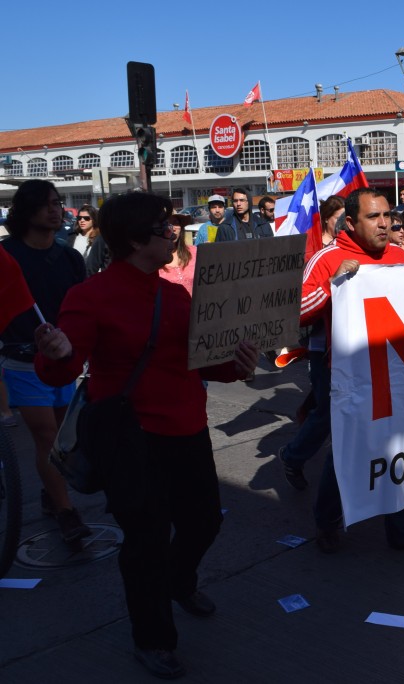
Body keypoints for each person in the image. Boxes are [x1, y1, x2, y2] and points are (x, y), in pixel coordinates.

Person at [34, 191, 258, 679]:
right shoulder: (89, 296)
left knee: (204, 522)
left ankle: (180, 581)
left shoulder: (175, 293)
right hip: (130, 439)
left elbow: (205, 363)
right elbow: (60, 369)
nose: (174, 232)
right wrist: (56, 350)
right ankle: (153, 638)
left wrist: (237, 365)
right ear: (136, 240)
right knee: (146, 540)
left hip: (187, 430)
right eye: (164, 227)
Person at [285, 188, 404, 555]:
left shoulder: (397, 255)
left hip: (398, 370)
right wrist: (333, 285)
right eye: (374, 217)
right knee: (350, 451)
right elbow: (296, 312)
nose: (385, 223)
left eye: (388, 215)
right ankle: (327, 521)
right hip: (351, 375)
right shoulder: (329, 258)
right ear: (352, 222)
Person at [0, 180, 89, 542]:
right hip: (21, 359)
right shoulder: (6, 257)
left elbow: (81, 309)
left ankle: (52, 496)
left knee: (64, 439)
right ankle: (67, 511)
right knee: (46, 437)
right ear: (27, 210)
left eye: (57, 203)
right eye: (47, 204)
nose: (56, 210)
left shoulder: (69, 257)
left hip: (65, 361)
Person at [159, 214, 197, 295]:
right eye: (167, 224)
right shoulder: (154, 259)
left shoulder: (194, 252)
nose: (173, 228)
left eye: (176, 223)